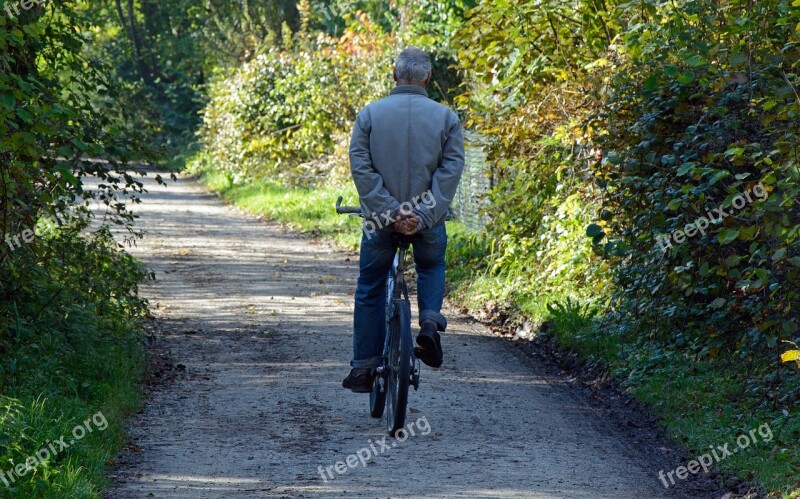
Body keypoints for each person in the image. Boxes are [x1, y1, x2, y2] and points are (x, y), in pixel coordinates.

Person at [342, 47, 465, 393]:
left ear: (394, 76)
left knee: (370, 285)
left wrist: (391, 212)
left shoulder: (370, 115)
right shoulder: (446, 118)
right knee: (430, 265)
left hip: (380, 223)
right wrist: (422, 213)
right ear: (427, 78)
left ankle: (364, 368)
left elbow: (361, 167)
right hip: (427, 221)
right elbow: (451, 170)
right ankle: (428, 322)